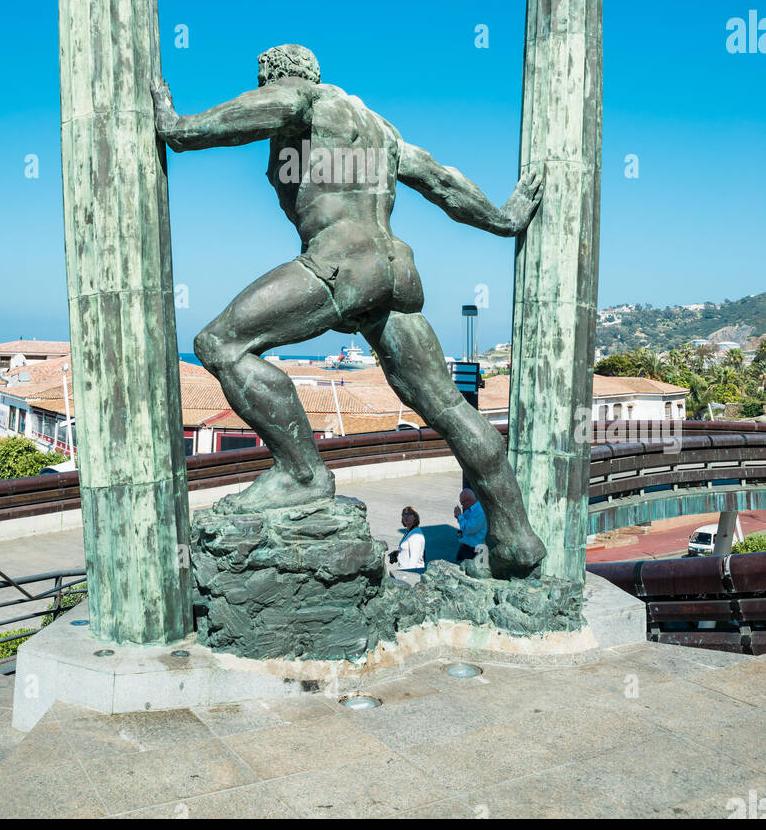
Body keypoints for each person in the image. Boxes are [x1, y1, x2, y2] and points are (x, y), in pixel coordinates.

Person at [153, 43, 546, 578]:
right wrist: (504, 219)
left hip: (341, 262)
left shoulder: (305, 99)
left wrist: (179, 129)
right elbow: (444, 183)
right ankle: (516, 539)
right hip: (395, 269)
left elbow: (258, 114)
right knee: (451, 408)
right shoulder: (379, 129)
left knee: (219, 345)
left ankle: (302, 473)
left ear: (277, 76)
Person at [388, 506, 426, 585]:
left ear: (415, 517)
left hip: (410, 576)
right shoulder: (409, 532)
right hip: (405, 573)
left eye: (409, 514)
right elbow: (408, 549)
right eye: (403, 514)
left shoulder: (416, 535)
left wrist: (407, 579)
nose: (405, 516)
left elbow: (414, 560)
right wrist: (397, 553)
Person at [454, 489, 489, 567]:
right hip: (465, 547)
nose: (462, 505)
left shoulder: (480, 511)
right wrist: (460, 539)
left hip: (474, 550)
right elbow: (462, 526)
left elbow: (469, 529)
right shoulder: (469, 510)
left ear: (468, 501)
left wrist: (460, 516)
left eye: (462, 502)